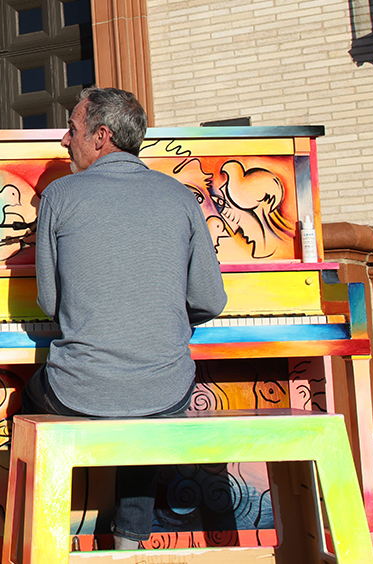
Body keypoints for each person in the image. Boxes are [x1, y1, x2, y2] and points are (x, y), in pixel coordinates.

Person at [22, 87, 227, 549]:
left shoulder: (60, 195)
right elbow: (211, 300)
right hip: (168, 388)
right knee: (149, 401)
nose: (63, 140)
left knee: (30, 400)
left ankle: (43, 538)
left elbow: (49, 305)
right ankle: (129, 542)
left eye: (71, 129)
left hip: (78, 390)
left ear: (101, 136)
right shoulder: (180, 197)